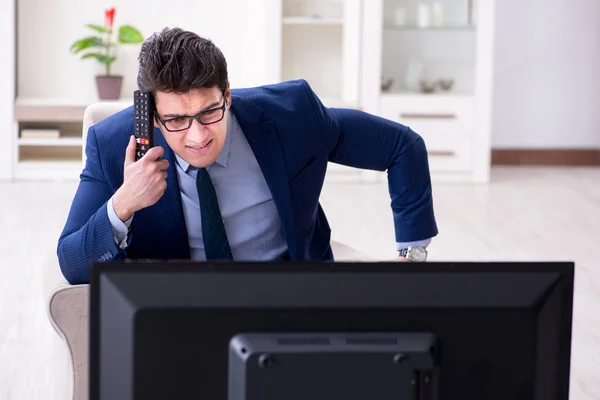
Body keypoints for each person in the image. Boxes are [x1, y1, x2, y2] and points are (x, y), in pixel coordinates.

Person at [57, 27, 438, 285]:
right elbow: (72, 262)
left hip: (294, 294)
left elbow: (402, 146)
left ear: (227, 93)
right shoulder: (110, 145)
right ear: (152, 115)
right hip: (184, 309)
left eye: (209, 111)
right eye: (175, 119)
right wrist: (123, 203)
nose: (198, 135)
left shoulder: (292, 115)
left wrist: (413, 256)